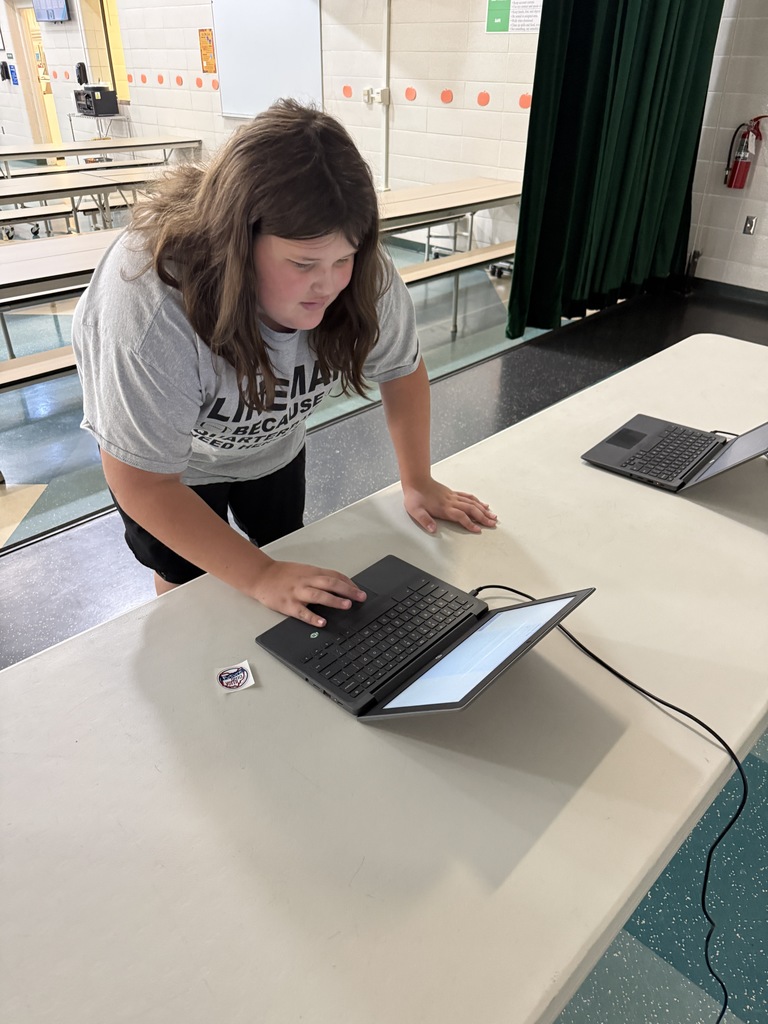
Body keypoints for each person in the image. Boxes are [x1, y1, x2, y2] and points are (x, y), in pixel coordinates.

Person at [72, 98, 496, 629]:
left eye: (344, 259)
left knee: (284, 545)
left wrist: (419, 481)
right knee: (187, 582)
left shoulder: (361, 273)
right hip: (172, 470)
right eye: (303, 263)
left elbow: (402, 371)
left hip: (273, 442)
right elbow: (143, 483)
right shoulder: (150, 304)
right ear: (236, 242)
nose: (329, 284)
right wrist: (259, 575)